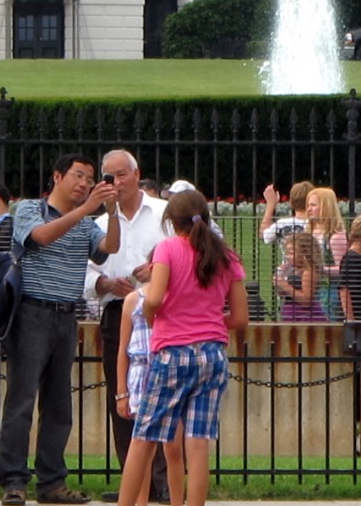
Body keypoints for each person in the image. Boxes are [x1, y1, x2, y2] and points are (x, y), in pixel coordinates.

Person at [0, 153, 120, 506]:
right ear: (57, 176)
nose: (84, 183)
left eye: (90, 178)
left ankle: (51, 482)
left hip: (67, 316)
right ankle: (14, 481)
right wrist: (87, 209)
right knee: (21, 400)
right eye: (78, 176)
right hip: (31, 312)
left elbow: (109, 248)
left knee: (59, 404)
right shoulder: (30, 209)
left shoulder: (87, 222)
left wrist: (111, 213)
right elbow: (41, 237)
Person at [113, 190, 248, 506]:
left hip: (174, 352)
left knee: (143, 437)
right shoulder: (227, 257)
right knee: (198, 442)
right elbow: (241, 318)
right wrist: (209, 320)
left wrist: (151, 315)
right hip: (213, 354)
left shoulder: (168, 248)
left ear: (171, 223)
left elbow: (155, 298)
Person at [85, 151, 166, 498]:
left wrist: (159, 270)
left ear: (137, 174)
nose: (115, 183)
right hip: (118, 311)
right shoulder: (98, 223)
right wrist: (105, 284)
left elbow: (195, 252)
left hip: (162, 310)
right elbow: (86, 273)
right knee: (123, 395)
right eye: (108, 177)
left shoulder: (164, 213)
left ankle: (162, 481)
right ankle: (132, 481)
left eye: (121, 175)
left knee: (164, 392)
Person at [113, 285, 184, 506]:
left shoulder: (178, 296)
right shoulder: (134, 300)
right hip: (142, 373)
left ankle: (177, 500)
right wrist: (121, 392)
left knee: (173, 446)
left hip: (170, 373)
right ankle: (140, 501)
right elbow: (123, 349)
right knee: (143, 446)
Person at [273, 234, 327, 323]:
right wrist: (280, 279)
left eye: (291, 253)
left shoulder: (308, 272)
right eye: (287, 253)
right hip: (292, 315)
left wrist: (285, 285)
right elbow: (285, 294)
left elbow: (306, 300)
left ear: (304, 254)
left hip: (305, 317)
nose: (287, 256)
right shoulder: (294, 270)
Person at [258, 181, 310, 246]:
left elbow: (264, 236)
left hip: (288, 256)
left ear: (290, 202)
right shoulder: (317, 224)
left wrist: (270, 204)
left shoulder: (282, 224)